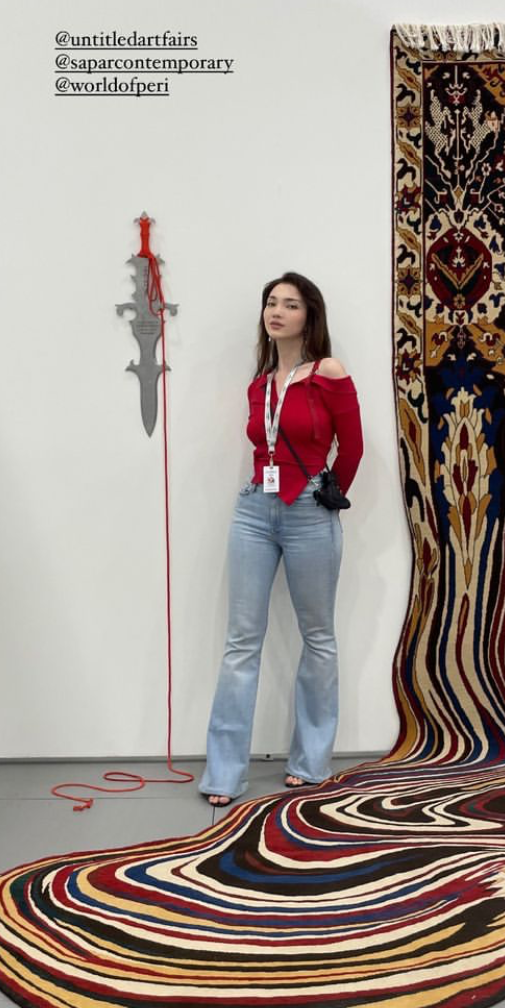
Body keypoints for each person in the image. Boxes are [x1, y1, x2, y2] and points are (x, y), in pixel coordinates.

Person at [199, 272, 363, 806]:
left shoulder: (328, 372)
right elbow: (261, 445)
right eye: (271, 302)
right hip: (254, 509)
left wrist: (328, 495)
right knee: (241, 641)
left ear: (309, 315)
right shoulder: (260, 383)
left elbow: (353, 447)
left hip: (309, 511)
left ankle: (310, 762)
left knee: (318, 637)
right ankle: (223, 774)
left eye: (290, 304)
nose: (277, 312)